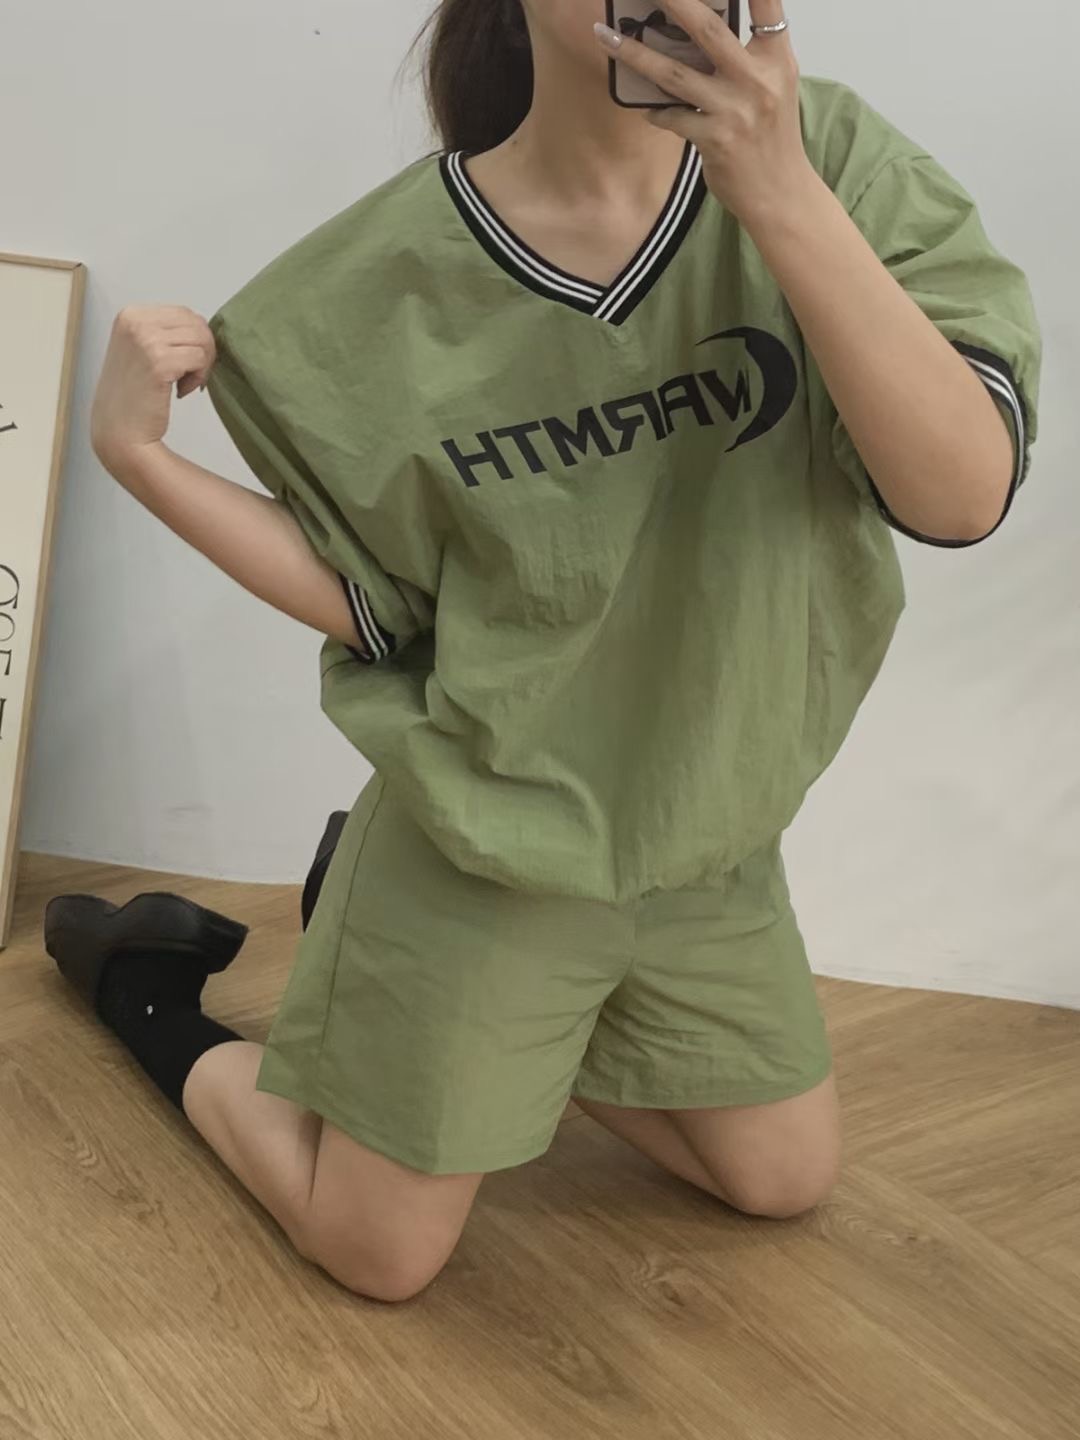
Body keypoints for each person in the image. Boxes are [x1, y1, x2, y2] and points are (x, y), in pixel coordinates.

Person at [48, 0, 1041, 1304]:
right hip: (495, 839)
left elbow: (960, 498)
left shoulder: (837, 161)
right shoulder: (378, 283)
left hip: (705, 831)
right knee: (379, 1254)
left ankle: (390, 945)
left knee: (783, 1176)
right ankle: (148, 987)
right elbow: (385, 606)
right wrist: (135, 457)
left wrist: (776, 190)